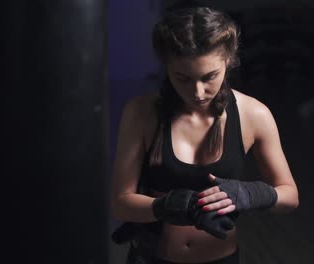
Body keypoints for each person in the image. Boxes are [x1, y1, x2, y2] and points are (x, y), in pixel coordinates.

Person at [110, 6, 299, 264]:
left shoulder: (254, 114)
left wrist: (251, 193)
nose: (198, 92)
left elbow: (290, 197)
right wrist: (167, 206)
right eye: (183, 78)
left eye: (209, 77)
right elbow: (120, 204)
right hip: (151, 257)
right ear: (167, 68)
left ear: (228, 61)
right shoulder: (141, 113)